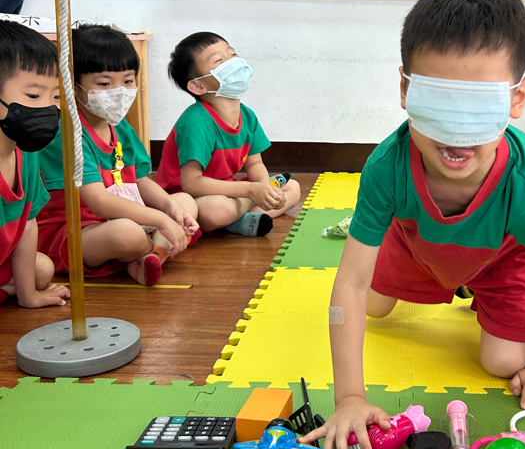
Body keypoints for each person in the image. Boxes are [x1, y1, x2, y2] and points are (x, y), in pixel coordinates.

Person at [302, 0, 525, 449]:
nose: (456, 132)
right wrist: (349, 397)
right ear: (406, 90)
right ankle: (397, 240)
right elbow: (350, 284)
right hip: (417, 247)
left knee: (505, 362)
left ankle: (475, 289)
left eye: (478, 105)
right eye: (440, 102)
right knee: (371, 308)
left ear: (518, 98)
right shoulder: (387, 167)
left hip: (500, 259)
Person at [38, 25, 200, 286]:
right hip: (77, 230)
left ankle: (151, 256)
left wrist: (170, 209)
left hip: (122, 217)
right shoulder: (67, 132)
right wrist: (161, 220)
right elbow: (99, 202)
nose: (119, 91)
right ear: (73, 85)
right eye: (104, 83)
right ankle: (150, 249)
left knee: (183, 202)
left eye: (128, 81)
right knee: (127, 233)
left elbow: (141, 180)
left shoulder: (120, 126)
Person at [156, 31, 300, 235]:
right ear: (198, 85)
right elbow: (191, 184)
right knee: (218, 210)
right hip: (187, 198)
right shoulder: (197, 122)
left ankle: (237, 222)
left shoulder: (247, 116)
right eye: (219, 60)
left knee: (293, 188)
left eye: (232, 54)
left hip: (226, 190)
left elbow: (255, 164)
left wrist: (264, 189)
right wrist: (251, 192)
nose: (233, 62)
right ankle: (238, 216)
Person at [0, 22, 69, 306]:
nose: (48, 108)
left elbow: (27, 224)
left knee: (41, 270)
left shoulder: (26, 151)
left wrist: (29, 296)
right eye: (33, 96)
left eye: (56, 96)